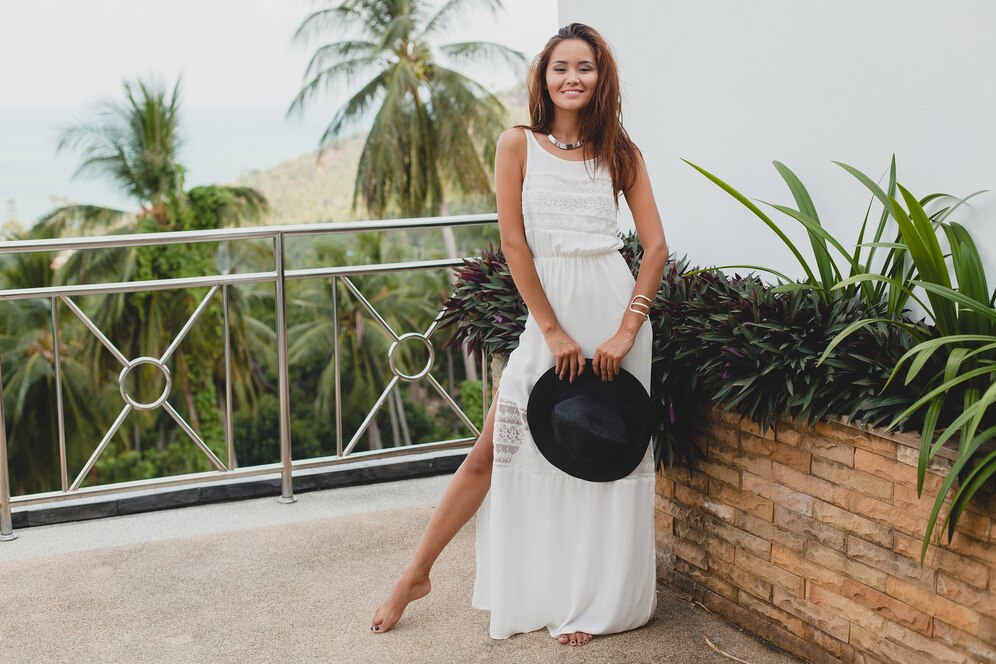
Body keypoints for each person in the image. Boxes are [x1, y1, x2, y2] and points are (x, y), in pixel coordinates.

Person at [370, 22, 669, 648]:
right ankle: (415, 574)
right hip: (549, 321)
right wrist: (553, 331)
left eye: (584, 67)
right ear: (544, 78)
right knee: (495, 451)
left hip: (615, 316)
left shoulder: (621, 151)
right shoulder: (518, 144)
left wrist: (626, 329)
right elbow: (513, 244)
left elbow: (655, 247)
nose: (572, 78)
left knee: (601, 456)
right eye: (561, 68)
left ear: (601, 77)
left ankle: (591, 601)